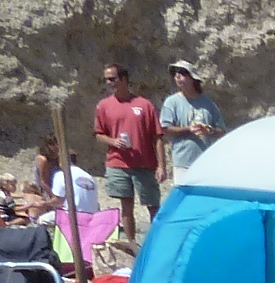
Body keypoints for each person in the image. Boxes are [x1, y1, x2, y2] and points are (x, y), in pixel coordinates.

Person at [94, 62, 161, 243]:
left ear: (124, 79)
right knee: (126, 205)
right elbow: (99, 134)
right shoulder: (104, 106)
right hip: (118, 162)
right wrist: (113, 141)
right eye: (106, 79)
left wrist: (161, 165)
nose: (109, 83)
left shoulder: (144, 104)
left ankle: (157, 241)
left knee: (153, 205)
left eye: (112, 78)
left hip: (144, 163)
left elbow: (157, 136)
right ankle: (132, 245)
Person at [158, 61, 222, 183]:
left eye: (182, 73)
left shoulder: (208, 104)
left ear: (192, 78)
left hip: (206, 162)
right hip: (183, 162)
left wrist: (209, 130)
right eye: (175, 73)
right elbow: (165, 129)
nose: (177, 76)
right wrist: (188, 129)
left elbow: (222, 131)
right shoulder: (171, 102)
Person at [34, 138, 98, 215]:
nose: (56, 147)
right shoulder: (44, 160)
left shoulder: (59, 157)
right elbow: (43, 181)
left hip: (58, 185)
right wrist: (53, 196)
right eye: (53, 144)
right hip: (46, 186)